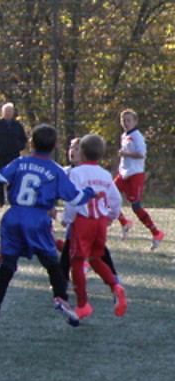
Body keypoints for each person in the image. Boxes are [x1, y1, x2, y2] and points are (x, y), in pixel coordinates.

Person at [0, 123, 96, 339]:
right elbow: (76, 198)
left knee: (6, 267)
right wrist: (91, 191)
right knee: (52, 264)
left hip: (13, 217)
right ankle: (60, 298)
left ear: (31, 143)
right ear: (54, 146)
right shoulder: (54, 169)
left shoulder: (21, 162)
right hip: (37, 219)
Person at [62, 134, 127, 319]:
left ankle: (83, 304)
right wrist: (112, 216)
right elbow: (115, 199)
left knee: (76, 260)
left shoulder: (76, 173)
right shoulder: (106, 175)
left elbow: (72, 200)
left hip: (83, 222)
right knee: (96, 258)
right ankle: (115, 286)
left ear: (81, 152)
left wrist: (67, 219)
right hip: (100, 222)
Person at [59, 137, 120, 286]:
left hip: (83, 220)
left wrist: (66, 218)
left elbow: (111, 198)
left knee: (80, 254)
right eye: (71, 148)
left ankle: (75, 292)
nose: (73, 151)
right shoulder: (65, 171)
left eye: (77, 148)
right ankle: (114, 283)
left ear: (84, 152)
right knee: (80, 250)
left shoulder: (79, 173)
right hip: (94, 220)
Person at [114, 109, 165, 250]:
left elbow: (142, 154)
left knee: (136, 206)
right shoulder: (124, 135)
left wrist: (126, 153)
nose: (126, 123)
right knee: (108, 196)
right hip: (122, 174)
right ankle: (124, 222)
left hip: (135, 175)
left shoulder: (137, 136)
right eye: (123, 120)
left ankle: (157, 233)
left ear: (135, 122)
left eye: (129, 120)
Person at [0, 102, 28, 207]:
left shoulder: (18, 126)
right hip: (0, 155)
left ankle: (13, 200)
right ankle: (0, 201)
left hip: (14, 156)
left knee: (14, 179)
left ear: (13, 113)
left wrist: (19, 147)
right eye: (6, 111)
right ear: (2, 112)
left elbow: (24, 140)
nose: (8, 113)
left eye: (10, 111)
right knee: (0, 178)